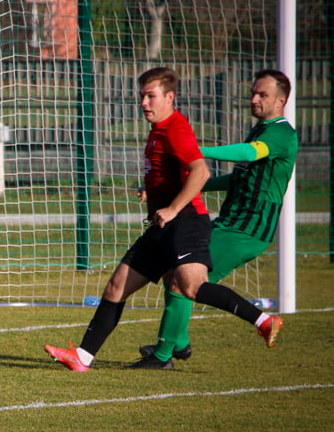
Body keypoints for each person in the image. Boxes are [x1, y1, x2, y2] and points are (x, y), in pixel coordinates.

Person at [43, 67, 279, 372]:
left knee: (191, 286)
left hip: (186, 222)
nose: (143, 102)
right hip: (162, 224)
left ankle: (263, 321)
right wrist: (152, 190)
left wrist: (173, 208)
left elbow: (201, 171)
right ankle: (82, 358)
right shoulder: (159, 128)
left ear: (170, 97)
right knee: (116, 286)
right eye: (141, 95)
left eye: (150, 96)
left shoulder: (176, 128)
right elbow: (172, 172)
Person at [138, 69, 296, 364]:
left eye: (263, 95)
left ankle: (163, 354)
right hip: (230, 222)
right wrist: (175, 189)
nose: (254, 99)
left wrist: (196, 150)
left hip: (248, 228)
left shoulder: (281, 134)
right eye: (253, 93)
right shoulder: (260, 130)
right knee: (174, 271)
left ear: (281, 100)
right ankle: (178, 345)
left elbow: (249, 154)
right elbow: (233, 181)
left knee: (183, 281)